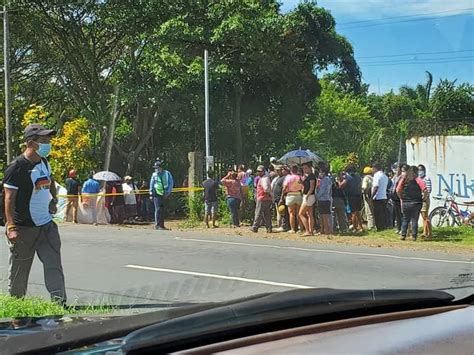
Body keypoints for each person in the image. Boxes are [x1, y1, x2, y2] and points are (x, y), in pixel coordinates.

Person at [3, 123, 66, 304]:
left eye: (48, 140)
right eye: (43, 141)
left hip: (46, 226)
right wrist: (11, 226)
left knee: (53, 265)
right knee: (19, 270)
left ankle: (59, 303)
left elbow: (50, 181)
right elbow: (8, 199)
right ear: (31, 143)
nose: (48, 144)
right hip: (24, 228)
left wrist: (53, 200)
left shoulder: (44, 162)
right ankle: (16, 305)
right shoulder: (17, 167)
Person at [397, 165, 428, 241]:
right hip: (416, 202)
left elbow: (397, 190)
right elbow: (425, 190)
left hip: (406, 202)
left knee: (405, 219)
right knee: (414, 219)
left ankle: (403, 235)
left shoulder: (404, 180)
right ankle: (414, 236)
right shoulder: (418, 180)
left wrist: (401, 197)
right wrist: (424, 198)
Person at [149, 160, 174, 230]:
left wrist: (168, 192)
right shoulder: (154, 175)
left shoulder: (167, 173)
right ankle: (157, 225)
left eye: (157, 167)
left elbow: (171, 183)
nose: (156, 169)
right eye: (155, 168)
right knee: (158, 209)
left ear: (161, 168)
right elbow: (152, 184)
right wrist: (151, 194)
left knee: (162, 210)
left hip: (164, 194)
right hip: (156, 194)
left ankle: (162, 225)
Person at [281, 165, 303, 233]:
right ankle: (300, 228)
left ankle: (293, 229)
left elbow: (284, 188)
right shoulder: (300, 177)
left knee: (291, 213)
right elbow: (302, 186)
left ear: (291, 170)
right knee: (299, 213)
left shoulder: (288, 177)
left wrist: (282, 195)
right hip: (298, 194)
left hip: (290, 195)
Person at [251, 165, 273, 233]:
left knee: (258, 213)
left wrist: (267, 193)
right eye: (258, 171)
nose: (258, 173)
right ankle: (269, 228)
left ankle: (255, 227)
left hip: (262, 198)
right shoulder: (266, 178)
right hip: (267, 198)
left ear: (263, 171)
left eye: (260, 171)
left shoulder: (264, 179)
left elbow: (266, 189)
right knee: (267, 214)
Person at [343, 166, 363, 232]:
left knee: (353, 213)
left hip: (352, 196)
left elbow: (342, 185)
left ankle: (355, 228)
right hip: (358, 196)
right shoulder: (358, 176)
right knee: (358, 212)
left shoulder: (348, 177)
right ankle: (361, 227)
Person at [299, 162, 316, 236]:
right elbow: (306, 185)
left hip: (309, 196)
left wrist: (307, 195)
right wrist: (302, 182)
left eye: (306, 168)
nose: (304, 170)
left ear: (310, 168)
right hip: (308, 196)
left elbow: (312, 187)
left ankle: (307, 230)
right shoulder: (307, 176)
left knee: (301, 214)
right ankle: (311, 231)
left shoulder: (312, 176)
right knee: (309, 214)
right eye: (303, 168)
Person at [371, 162, 389, 231]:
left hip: (377, 197)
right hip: (384, 196)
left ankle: (379, 227)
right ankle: (384, 226)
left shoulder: (376, 175)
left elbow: (376, 187)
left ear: (375, 168)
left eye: (372, 169)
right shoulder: (384, 176)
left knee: (377, 214)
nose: (372, 170)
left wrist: (371, 197)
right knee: (383, 213)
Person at [272, 165, 290, 232]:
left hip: (281, 198)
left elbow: (284, 189)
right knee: (280, 212)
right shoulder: (278, 178)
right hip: (277, 198)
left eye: (279, 170)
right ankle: (281, 225)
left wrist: (282, 198)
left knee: (283, 212)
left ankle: (284, 226)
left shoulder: (285, 178)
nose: (278, 172)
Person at [316, 166, 333, 235]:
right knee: (322, 216)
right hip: (326, 199)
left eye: (320, 172)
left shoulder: (325, 180)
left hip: (323, 199)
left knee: (324, 216)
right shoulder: (327, 179)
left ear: (323, 172)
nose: (319, 173)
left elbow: (322, 191)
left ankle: (327, 230)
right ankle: (323, 230)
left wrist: (316, 197)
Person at [391, 164, 407, 234]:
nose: (396, 171)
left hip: (399, 197)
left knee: (401, 214)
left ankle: (403, 229)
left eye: (398, 169)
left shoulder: (402, 177)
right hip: (394, 196)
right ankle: (398, 227)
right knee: (397, 214)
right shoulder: (395, 177)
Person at [417, 164, 432, 239]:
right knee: (423, 217)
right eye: (418, 170)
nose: (419, 172)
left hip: (425, 200)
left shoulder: (427, 178)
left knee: (425, 216)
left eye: (421, 170)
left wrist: (424, 198)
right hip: (419, 199)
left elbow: (428, 190)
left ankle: (429, 233)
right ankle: (424, 231)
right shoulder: (418, 179)